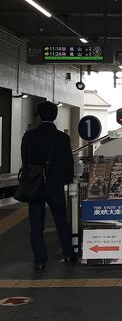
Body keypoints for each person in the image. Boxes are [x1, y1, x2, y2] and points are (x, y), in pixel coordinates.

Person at [20, 100, 75, 271]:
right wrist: (66, 179)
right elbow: (68, 163)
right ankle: (68, 254)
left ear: (39, 116)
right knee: (61, 221)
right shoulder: (62, 138)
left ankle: (40, 261)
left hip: (35, 184)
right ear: (55, 116)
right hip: (55, 184)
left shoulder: (29, 136)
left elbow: (25, 160)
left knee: (36, 225)